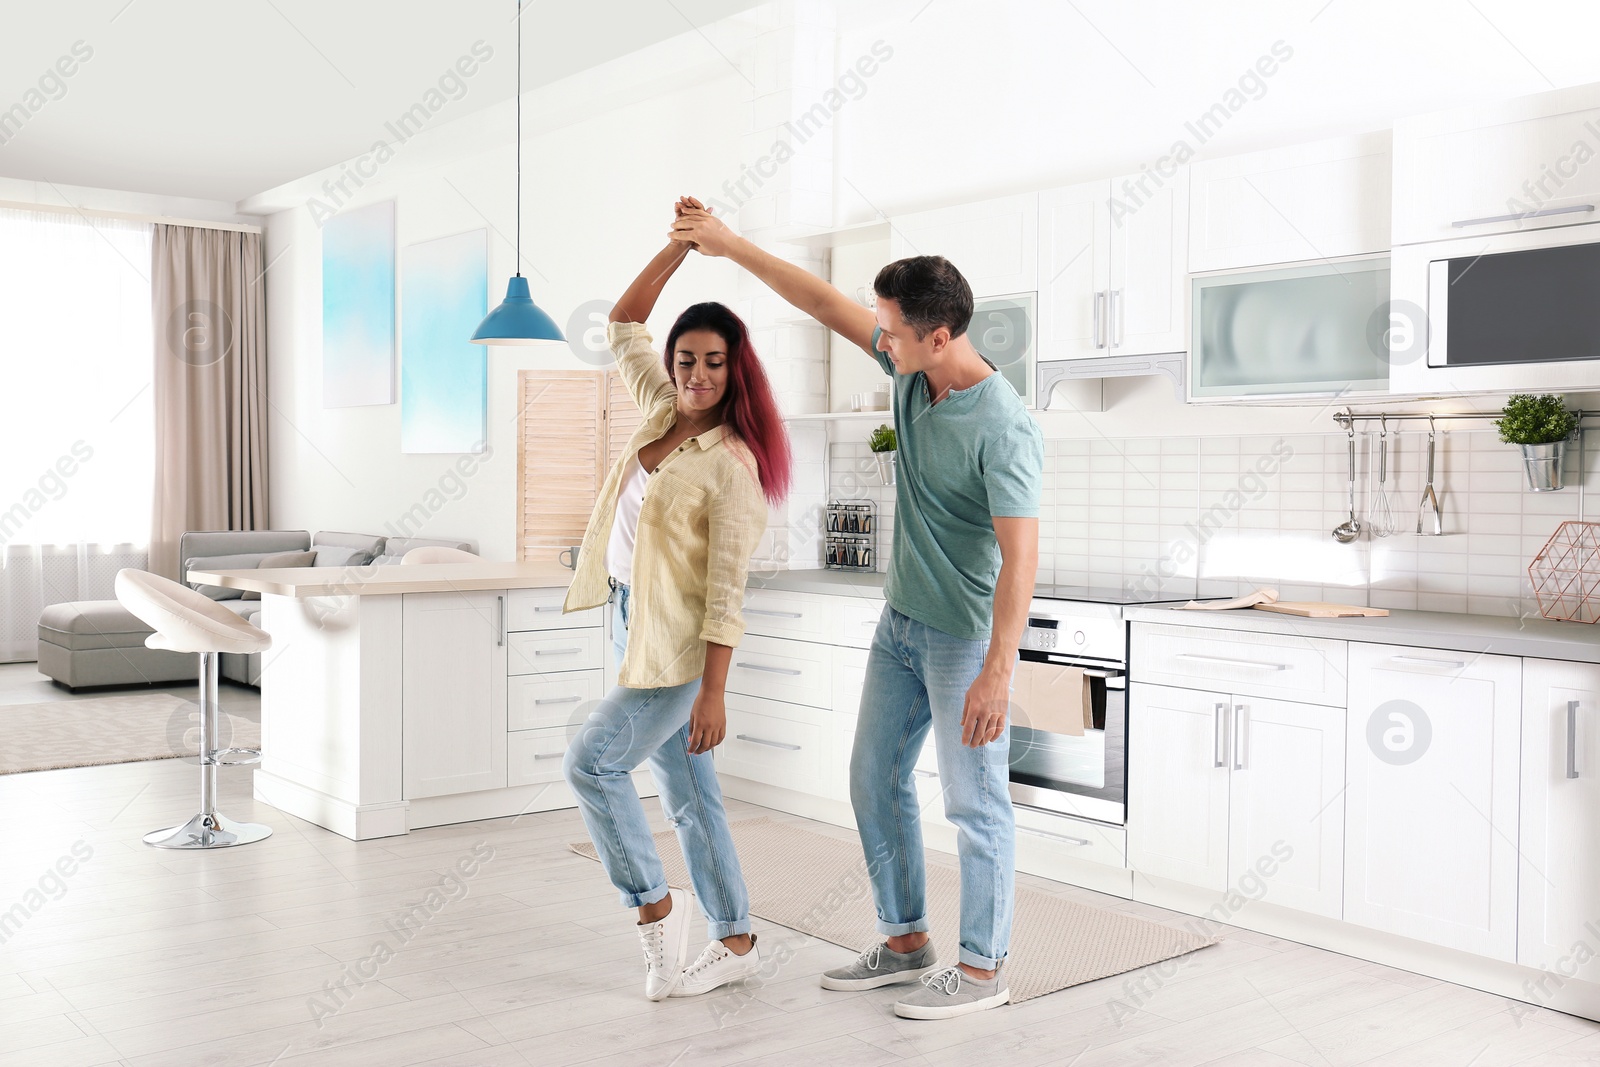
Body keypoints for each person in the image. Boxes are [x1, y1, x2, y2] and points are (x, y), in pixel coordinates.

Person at [671, 198, 1042, 1020]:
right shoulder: (911, 372)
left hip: (962, 636)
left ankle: (984, 969)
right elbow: (816, 300)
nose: (881, 340)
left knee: (975, 803)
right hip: (900, 624)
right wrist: (730, 245)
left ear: (939, 337)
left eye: (894, 332)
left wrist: (995, 671)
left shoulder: (1004, 427)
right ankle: (906, 942)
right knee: (872, 779)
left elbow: (1022, 559)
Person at [561, 225, 792, 1002]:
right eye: (686, 358)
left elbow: (727, 593)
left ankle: (656, 911)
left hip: (681, 649)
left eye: (712, 362)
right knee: (691, 796)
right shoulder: (661, 411)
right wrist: (678, 250)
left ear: (736, 372)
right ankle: (735, 938)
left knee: (591, 762)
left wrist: (715, 691)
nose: (696, 373)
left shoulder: (732, 466)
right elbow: (623, 322)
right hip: (633, 621)